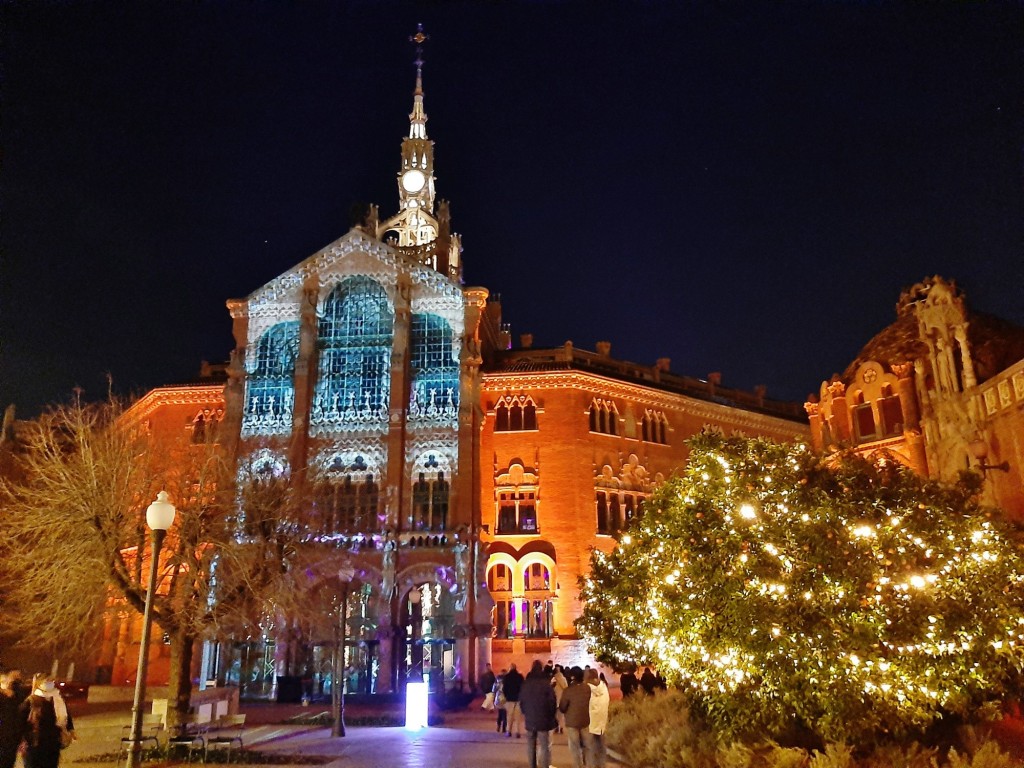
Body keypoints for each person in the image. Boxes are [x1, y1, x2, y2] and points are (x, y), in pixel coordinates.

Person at [21, 679, 73, 768]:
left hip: (53, 741)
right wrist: (23, 739)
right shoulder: (32, 700)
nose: (50, 684)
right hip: (35, 742)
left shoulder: (57, 698)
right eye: (46, 682)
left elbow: (66, 715)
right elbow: (21, 721)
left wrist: (70, 729)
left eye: (51, 681)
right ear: (39, 684)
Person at [519, 660, 557, 768]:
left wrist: (525, 712)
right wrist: (551, 715)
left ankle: (532, 766)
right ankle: (545, 766)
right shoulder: (546, 684)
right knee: (544, 745)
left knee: (531, 745)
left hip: (530, 718)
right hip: (543, 719)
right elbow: (552, 702)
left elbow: (521, 700)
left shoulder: (526, 684)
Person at [558, 666, 591, 768]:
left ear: (572, 677)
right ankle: (588, 764)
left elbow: (563, 707)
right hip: (585, 720)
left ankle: (578, 765)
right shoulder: (587, 688)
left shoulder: (568, 691)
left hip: (572, 722)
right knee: (587, 745)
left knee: (574, 746)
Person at [585, 667, 610, 768]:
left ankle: (592, 765)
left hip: (590, 721)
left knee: (590, 746)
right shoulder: (604, 687)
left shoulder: (586, 689)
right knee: (601, 745)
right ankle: (602, 764)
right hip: (602, 720)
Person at [0, 673, 26, 768]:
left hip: (11, 739)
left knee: (8, 762)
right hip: (3, 737)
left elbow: (18, 718)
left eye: (6, 682)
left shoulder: (15, 698)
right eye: (2, 682)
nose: (5, 685)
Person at [501, 662, 524, 738]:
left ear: (510, 668)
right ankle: (518, 732)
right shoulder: (520, 677)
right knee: (518, 716)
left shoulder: (507, 677)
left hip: (509, 699)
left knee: (509, 716)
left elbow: (504, 688)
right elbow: (523, 687)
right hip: (518, 699)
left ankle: (508, 731)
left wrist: (506, 695)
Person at [550, 664, 568, 734]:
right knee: (561, 715)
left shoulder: (553, 679)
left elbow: (550, 687)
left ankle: (556, 727)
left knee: (555, 715)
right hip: (562, 699)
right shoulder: (563, 679)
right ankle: (561, 727)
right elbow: (566, 688)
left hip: (555, 699)